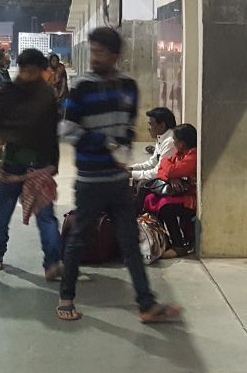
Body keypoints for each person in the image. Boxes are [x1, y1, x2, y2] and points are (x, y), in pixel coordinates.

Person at [58, 27, 181, 323]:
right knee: (79, 238)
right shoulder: (81, 87)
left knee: (129, 240)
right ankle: (66, 299)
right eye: (93, 51)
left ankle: (146, 305)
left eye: (100, 52)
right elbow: (68, 130)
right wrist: (105, 143)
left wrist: (123, 148)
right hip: (90, 180)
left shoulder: (128, 86)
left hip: (118, 180)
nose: (95, 57)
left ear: (115, 55)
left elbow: (128, 126)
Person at [0, 48, 61, 278]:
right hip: (15, 164)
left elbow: (52, 132)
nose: (27, 75)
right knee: (5, 213)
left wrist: (54, 162)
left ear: (40, 71)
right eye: (25, 70)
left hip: (36, 165)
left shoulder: (44, 96)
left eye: (32, 71)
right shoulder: (12, 92)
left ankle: (51, 263)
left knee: (44, 216)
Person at [144, 124, 198, 256]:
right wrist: (171, 178)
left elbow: (169, 168)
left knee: (165, 206)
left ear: (182, 143)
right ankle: (162, 238)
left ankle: (178, 245)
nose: (173, 142)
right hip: (179, 194)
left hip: (191, 198)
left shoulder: (193, 156)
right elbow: (162, 170)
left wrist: (169, 170)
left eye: (175, 140)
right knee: (150, 198)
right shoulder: (179, 154)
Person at [129, 107, 177, 187]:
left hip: (173, 181)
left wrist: (131, 174)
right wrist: (132, 168)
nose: (148, 128)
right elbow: (152, 163)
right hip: (163, 174)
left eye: (151, 124)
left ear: (162, 126)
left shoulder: (170, 142)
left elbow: (158, 171)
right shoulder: (162, 137)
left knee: (142, 183)